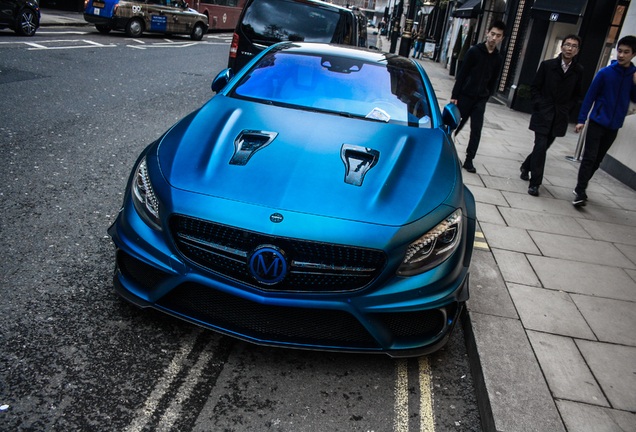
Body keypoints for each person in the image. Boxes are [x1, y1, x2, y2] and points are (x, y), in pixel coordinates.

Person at [572, 35, 636, 206]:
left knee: (597, 160)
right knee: (589, 158)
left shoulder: (633, 76)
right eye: (619, 51)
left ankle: (581, 186)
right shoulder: (605, 73)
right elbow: (589, 97)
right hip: (597, 122)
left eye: (626, 52)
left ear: (633, 54)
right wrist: (581, 119)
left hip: (614, 126)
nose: (621, 55)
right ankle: (580, 191)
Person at [520, 35, 584, 196]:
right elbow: (534, 87)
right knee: (540, 147)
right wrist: (539, 105)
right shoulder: (547, 65)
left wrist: (568, 109)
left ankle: (526, 166)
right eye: (567, 44)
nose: (569, 48)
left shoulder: (578, 71)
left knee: (543, 147)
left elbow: (577, 95)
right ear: (562, 47)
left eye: (573, 46)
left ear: (577, 50)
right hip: (543, 113)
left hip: (559, 116)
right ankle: (535, 183)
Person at [451, 21, 505, 173]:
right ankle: (447, 153)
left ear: (502, 38)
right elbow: (461, 75)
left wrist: (487, 95)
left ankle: (469, 160)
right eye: (493, 34)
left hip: (480, 99)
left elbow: (494, 79)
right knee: (455, 126)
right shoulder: (474, 51)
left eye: (498, 36)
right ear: (487, 32)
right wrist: (455, 95)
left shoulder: (498, 58)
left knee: (476, 129)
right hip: (465, 96)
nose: (494, 38)